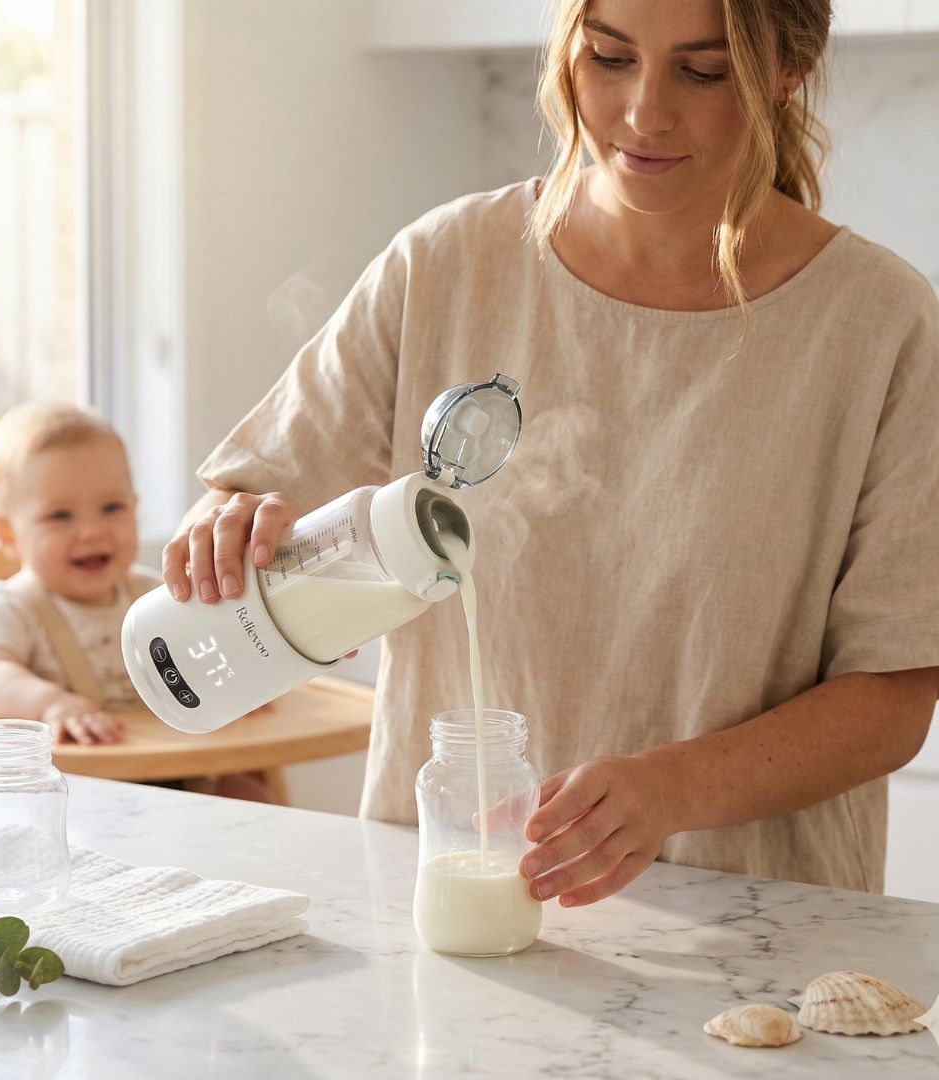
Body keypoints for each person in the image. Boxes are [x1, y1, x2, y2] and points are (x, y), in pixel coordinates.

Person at [164, 0, 939, 901]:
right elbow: (252, 490)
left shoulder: (880, 323)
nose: (645, 113)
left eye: (704, 71)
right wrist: (230, 532)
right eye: (610, 59)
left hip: (758, 932)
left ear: (784, 74)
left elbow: (893, 694)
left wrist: (670, 790)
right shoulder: (446, 264)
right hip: (452, 894)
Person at [0, 402, 278, 802]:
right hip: (72, 785)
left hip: (176, 769)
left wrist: (232, 686)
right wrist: (51, 706)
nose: (92, 531)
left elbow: (206, 646)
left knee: (249, 793)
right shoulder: (9, 604)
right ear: (7, 534)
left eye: (112, 508)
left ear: (135, 507)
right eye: (60, 516)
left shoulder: (154, 595)